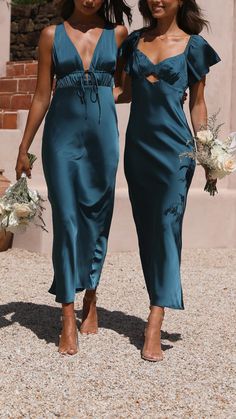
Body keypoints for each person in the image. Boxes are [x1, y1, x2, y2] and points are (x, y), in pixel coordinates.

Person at [15, 0, 131, 356]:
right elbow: (40, 96)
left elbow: (126, 87)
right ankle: (67, 314)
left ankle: (91, 296)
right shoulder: (51, 35)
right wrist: (24, 147)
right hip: (61, 141)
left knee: (97, 218)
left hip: (103, 142)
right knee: (66, 221)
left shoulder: (119, 34)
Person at [116, 0, 221, 361]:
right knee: (148, 230)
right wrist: (82, 92)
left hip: (176, 151)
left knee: (166, 225)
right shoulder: (132, 43)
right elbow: (125, 93)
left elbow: (198, 105)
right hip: (138, 150)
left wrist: (207, 152)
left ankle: (155, 320)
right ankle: (156, 299)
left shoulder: (194, 47)